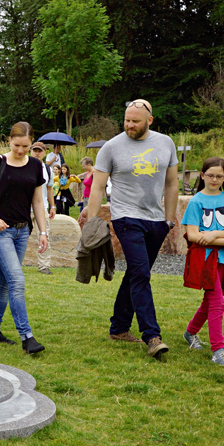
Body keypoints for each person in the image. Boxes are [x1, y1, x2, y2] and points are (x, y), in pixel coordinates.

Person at [82, 99, 179, 359]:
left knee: (138, 273)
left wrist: (169, 220)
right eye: (126, 120)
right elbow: (98, 187)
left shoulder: (166, 143)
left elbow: (171, 183)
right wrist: (92, 222)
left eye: (135, 121)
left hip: (156, 220)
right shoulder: (111, 147)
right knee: (140, 273)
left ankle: (119, 327)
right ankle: (152, 336)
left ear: (150, 120)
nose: (129, 125)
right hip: (126, 218)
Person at [0, 121, 49, 354]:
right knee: (17, 281)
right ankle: (27, 337)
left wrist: (43, 231)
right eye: (17, 145)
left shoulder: (36, 166)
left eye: (25, 146)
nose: (20, 150)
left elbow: (37, 201)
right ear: (9, 140)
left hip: (22, 230)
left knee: (6, 282)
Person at [181, 157, 224, 367]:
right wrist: (222, 238)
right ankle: (218, 350)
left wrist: (213, 234)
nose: (214, 179)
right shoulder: (196, 201)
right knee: (217, 302)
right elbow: (192, 235)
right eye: (210, 175)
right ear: (202, 175)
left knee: (211, 300)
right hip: (204, 260)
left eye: (219, 176)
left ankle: (190, 333)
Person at [29, 141, 56, 274]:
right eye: (35, 150)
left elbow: (50, 189)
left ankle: (44, 266)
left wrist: (52, 206)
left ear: (45, 153)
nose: (37, 153)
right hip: (24, 208)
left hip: (42, 207)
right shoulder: (23, 165)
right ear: (30, 151)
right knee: (17, 236)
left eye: (40, 150)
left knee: (45, 236)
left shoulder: (47, 169)